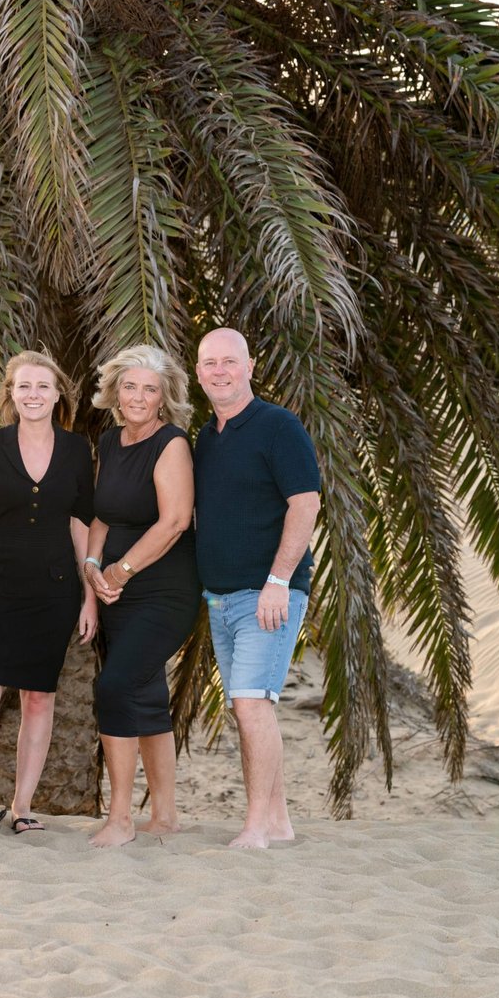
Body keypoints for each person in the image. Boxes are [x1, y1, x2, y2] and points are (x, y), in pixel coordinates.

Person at [194, 328, 320, 849]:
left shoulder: (278, 426)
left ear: (249, 367)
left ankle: (255, 828)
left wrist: (277, 582)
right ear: (198, 372)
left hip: (267, 596)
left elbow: (306, 503)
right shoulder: (207, 436)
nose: (219, 370)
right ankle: (279, 821)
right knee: (251, 705)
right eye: (209, 362)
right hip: (220, 598)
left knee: (251, 705)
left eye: (230, 361)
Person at [0, 351, 97, 835]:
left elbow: (81, 522)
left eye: (43, 386)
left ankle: (22, 806)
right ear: (10, 393)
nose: (34, 395)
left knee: (38, 699)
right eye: (24, 386)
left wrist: (89, 594)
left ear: (58, 393)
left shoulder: (77, 449)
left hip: (55, 590)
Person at [83, 344, 197, 848]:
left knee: (114, 688)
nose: (138, 396)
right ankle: (166, 816)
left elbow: (174, 522)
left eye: (150, 389)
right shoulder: (109, 442)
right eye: (130, 386)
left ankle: (121, 818)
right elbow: (102, 514)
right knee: (147, 695)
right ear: (115, 391)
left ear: (163, 398)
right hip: (114, 591)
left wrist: (122, 569)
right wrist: (92, 566)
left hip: (162, 590)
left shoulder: (171, 443)